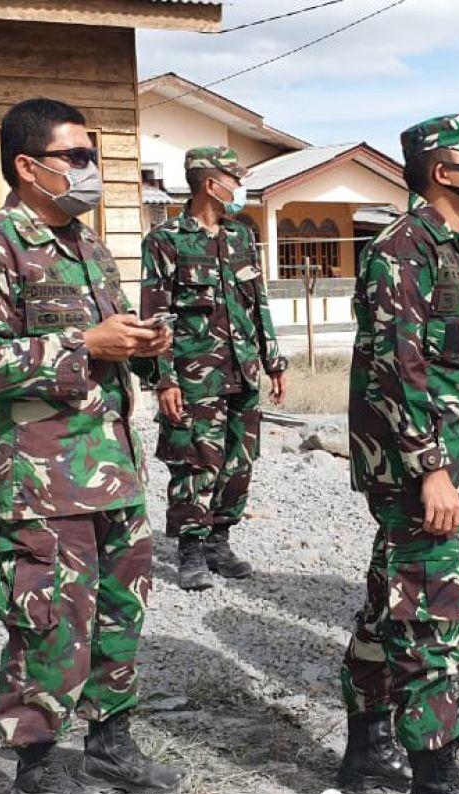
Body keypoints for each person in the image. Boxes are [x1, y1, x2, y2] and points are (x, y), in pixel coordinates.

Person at [0, 98, 182, 794]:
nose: (90, 169)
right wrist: (83, 345)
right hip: (37, 478)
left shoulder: (90, 246)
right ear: (27, 165)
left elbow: (106, 346)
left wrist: (139, 345)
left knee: (120, 610)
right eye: (75, 157)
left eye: (92, 156)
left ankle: (111, 745)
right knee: (46, 622)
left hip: (111, 469)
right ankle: (38, 768)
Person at [340, 113, 459, 794]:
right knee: (432, 617)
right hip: (419, 468)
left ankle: (365, 752)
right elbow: (397, 364)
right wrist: (433, 468)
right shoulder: (404, 245)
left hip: (435, 454)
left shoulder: (443, 244)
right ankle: (434, 778)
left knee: (391, 608)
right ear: (444, 171)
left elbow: (435, 355)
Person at [141, 146, 287, 591]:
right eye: (233, 179)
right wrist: (163, 380)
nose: (238, 188)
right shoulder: (166, 240)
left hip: (242, 371)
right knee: (195, 461)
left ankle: (218, 542)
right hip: (194, 375)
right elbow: (155, 317)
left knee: (239, 461)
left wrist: (273, 359)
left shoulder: (241, 236)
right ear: (211, 183)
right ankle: (189, 549)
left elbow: (257, 301)